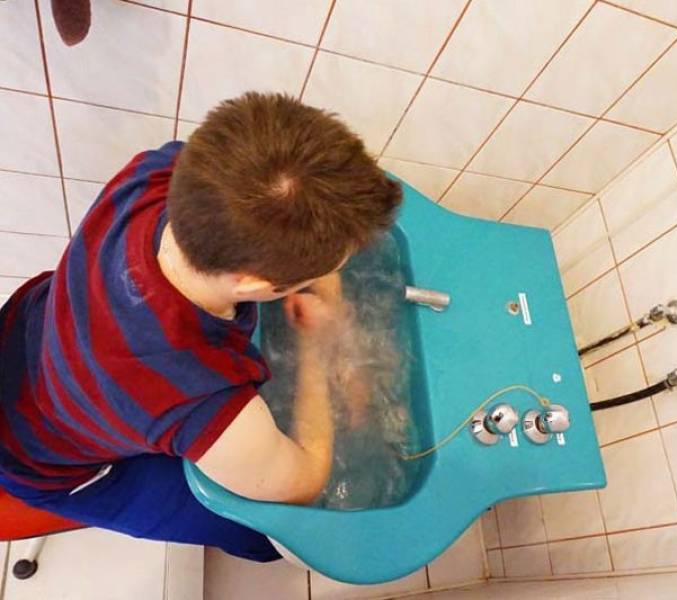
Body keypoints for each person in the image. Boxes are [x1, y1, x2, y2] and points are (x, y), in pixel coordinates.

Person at [0, 92, 402, 561]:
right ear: (253, 283)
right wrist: (315, 347)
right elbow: (304, 482)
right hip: (36, 455)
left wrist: (318, 274)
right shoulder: (196, 393)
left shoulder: (156, 174)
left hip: (27, 329)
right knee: (261, 534)